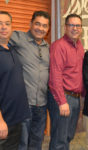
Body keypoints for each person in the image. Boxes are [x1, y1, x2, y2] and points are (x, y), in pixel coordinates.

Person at [10, 11, 50, 150]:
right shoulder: (18, 37)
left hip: (42, 104)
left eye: (44, 26)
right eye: (37, 24)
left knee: (37, 142)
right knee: (21, 143)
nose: (40, 28)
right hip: (23, 104)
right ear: (30, 24)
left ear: (48, 28)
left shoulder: (48, 48)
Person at [48, 14, 85, 150]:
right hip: (62, 97)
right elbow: (55, 76)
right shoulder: (59, 46)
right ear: (65, 27)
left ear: (81, 28)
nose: (75, 28)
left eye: (78, 26)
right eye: (71, 25)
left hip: (75, 98)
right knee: (59, 139)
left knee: (68, 136)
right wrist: (62, 101)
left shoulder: (79, 46)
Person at [0, 11, 30, 150]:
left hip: (16, 118)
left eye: (7, 23)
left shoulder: (11, 49)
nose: (3, 27)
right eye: (0, 24)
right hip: (3, 120)